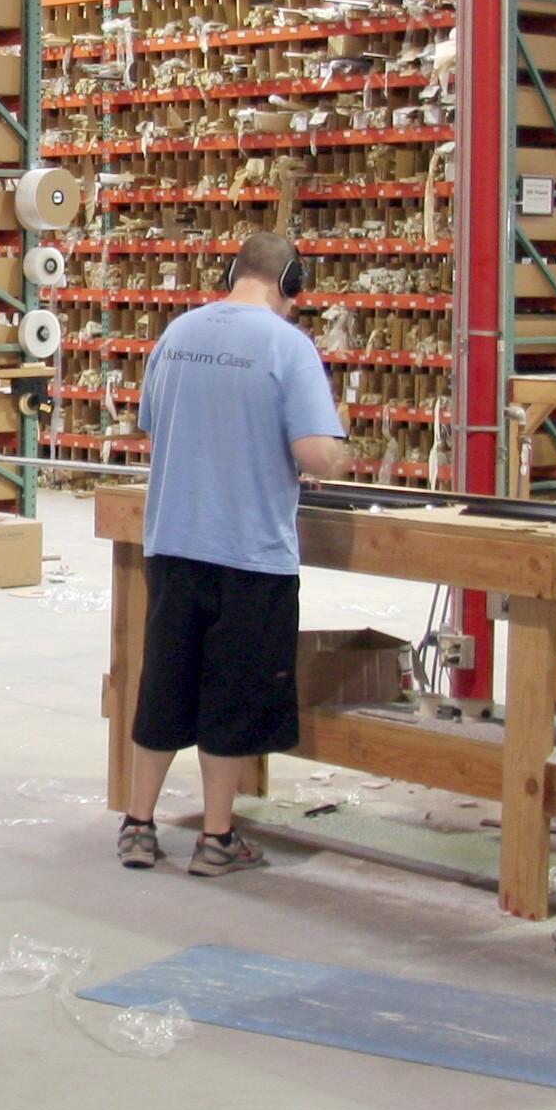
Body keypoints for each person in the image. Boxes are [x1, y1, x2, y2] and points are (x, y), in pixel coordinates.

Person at [119, 230, 350, 875]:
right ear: (291, 283)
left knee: (164, 687)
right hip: (250, 552)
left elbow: (151, 424)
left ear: (233, 271)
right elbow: (313, 453)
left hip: (173, 542)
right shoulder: (290, 346)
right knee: (232, 696)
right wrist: (339, 450)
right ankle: (216, 839)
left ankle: (139, 826)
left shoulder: (177, 335)